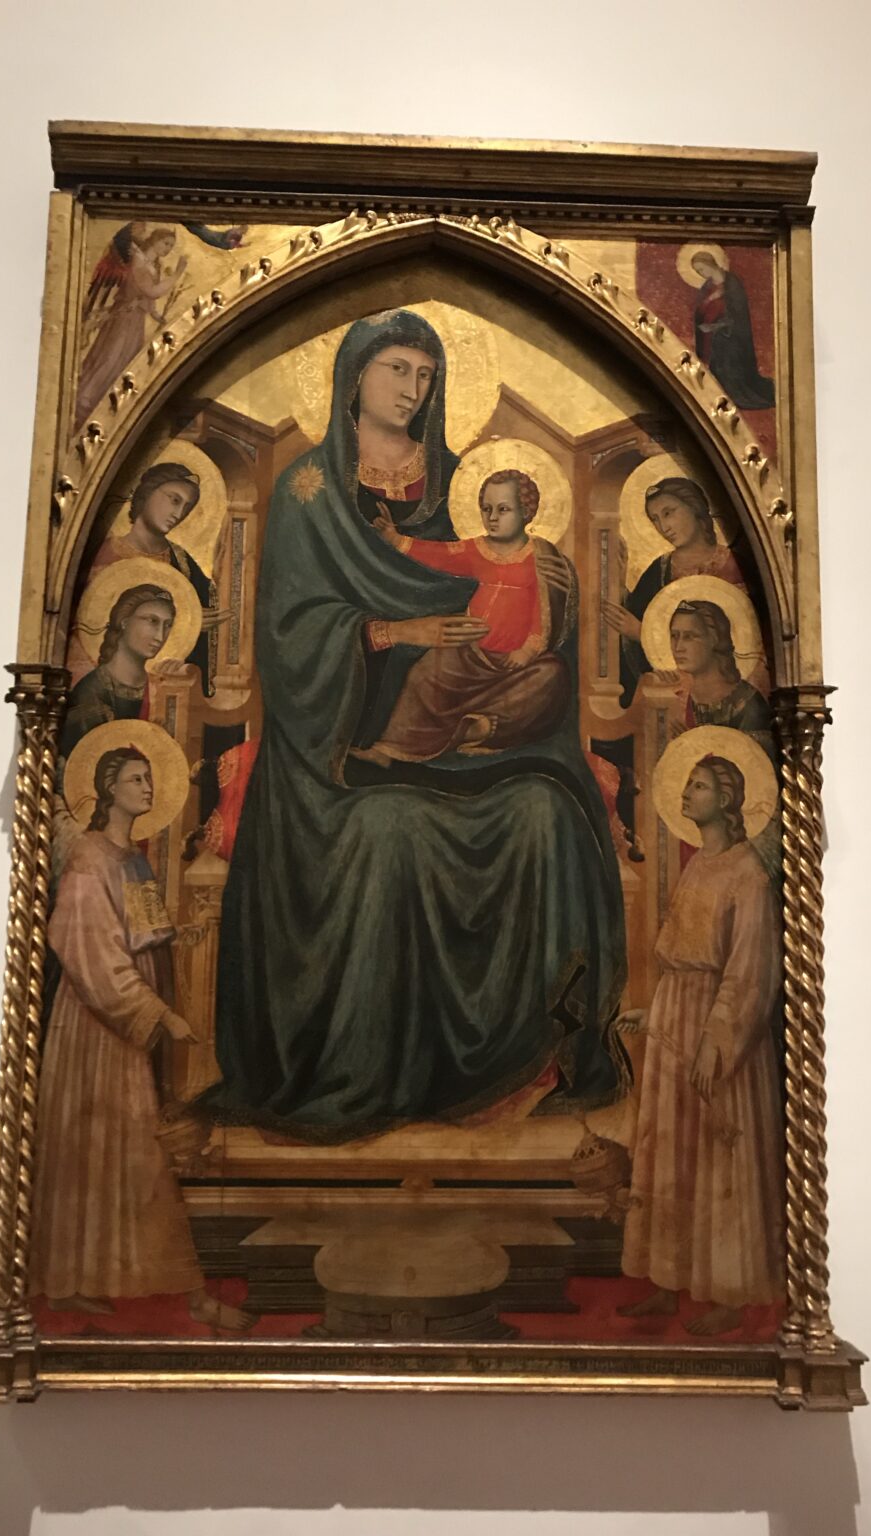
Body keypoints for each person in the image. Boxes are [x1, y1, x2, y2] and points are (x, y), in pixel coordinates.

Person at [193, 309, 628, 1142]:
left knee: (547, 818)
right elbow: (288, 636)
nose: (412, 389)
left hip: (474, 743)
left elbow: (534, 618)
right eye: (397, 369)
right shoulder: (310, 493)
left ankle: (528, 1060)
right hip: (338, 754)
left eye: (426, 375)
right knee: (383, 833)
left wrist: (503, 686)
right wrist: (395, 631)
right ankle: (369, 1069)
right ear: (354, 374)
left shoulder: (468, 490)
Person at [29, 746, 251, 1330]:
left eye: (151, 778)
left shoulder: (135, 859)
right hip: (95, 1029)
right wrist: (158, 1014)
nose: (148, 788)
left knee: (118, 1155)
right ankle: (183, 1295)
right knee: (117, 1152)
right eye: (135, 779)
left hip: (130, 1027)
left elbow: (150, 936)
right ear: (108, 790)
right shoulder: (88, 860)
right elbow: (91, 953)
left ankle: (87, 1280)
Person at [618, 755, 784, 1334]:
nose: (688, 793)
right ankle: (666, 1282)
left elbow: (750, 971)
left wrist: (717, 1041)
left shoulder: (749, 875)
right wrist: (656, 1013)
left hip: (719, 1030)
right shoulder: (696, 867)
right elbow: (684, 953)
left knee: (718, 1153)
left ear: (729, 800)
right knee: (671, 1151)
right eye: (687, 784)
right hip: (678, 1018)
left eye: (701, 785)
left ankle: (730, 1295)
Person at [359, 468, 574, 761]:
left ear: (526, 512)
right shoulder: (477, 549)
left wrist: (528, 648)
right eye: (486, 509)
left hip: (516, 664)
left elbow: (544, 608)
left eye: (503, 509)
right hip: (469, 653)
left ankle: (480, 728)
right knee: (425, 672)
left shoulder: (540, 556)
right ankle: (391, 749)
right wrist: (397, 540)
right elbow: (440, 554)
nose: (492, 517)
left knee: (551, 675)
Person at [80, 461, 228, 693]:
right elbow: (92, 631)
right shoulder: (105, 557)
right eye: (174, 500)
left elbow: (209, 623)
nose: (179, 514)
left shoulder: (182, 561)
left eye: (187, 507)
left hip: (169, 685)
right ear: (147, 492)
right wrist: (188, 623)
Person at [601, 476, 748, 705]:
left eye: (668, 513)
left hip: (719, 691)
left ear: (694, 507)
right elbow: (635, 616)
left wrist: (641, 633)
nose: (663, 527)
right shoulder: (660, 568)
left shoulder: (734, 566)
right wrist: (619, 587)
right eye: (655, 519)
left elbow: (741, 644)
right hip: (672, 693)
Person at [75, 227, 187, 428]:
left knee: (126, 362)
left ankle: (102, 404)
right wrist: (177, 274)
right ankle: (86, 399)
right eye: (165, 243)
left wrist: (156, 315)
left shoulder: (154, 266)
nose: (168, 249)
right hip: (124, 317)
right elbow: (151, 291)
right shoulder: (138, 260)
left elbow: (148, 300)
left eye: (171, 246)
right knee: (110, 356)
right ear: (155, 240)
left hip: (136, 320)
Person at [60, 584, 176, 759]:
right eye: (152, 621)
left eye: (168, 625)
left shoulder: (159, 687)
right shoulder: (90, 694)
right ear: (124, 621)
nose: (160, 636)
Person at [662, 599, 772, 748]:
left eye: (689, 636)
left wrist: (695, 745)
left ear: (714, 639)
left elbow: (751, 760)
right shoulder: (682, 701)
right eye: (674, 636)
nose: (678, 647)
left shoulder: (749, 707)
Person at [691, 250, 776, 411]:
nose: (701, 273)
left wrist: (717, 326)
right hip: (711, 336)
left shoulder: (732, 283)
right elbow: (700, 311)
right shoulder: (707, 287)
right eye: (697, 271)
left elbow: (738, 314)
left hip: (731, 336)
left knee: (726, 358)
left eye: (701, 269)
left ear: (710, 264)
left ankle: (736, 394)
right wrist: (710, 301)